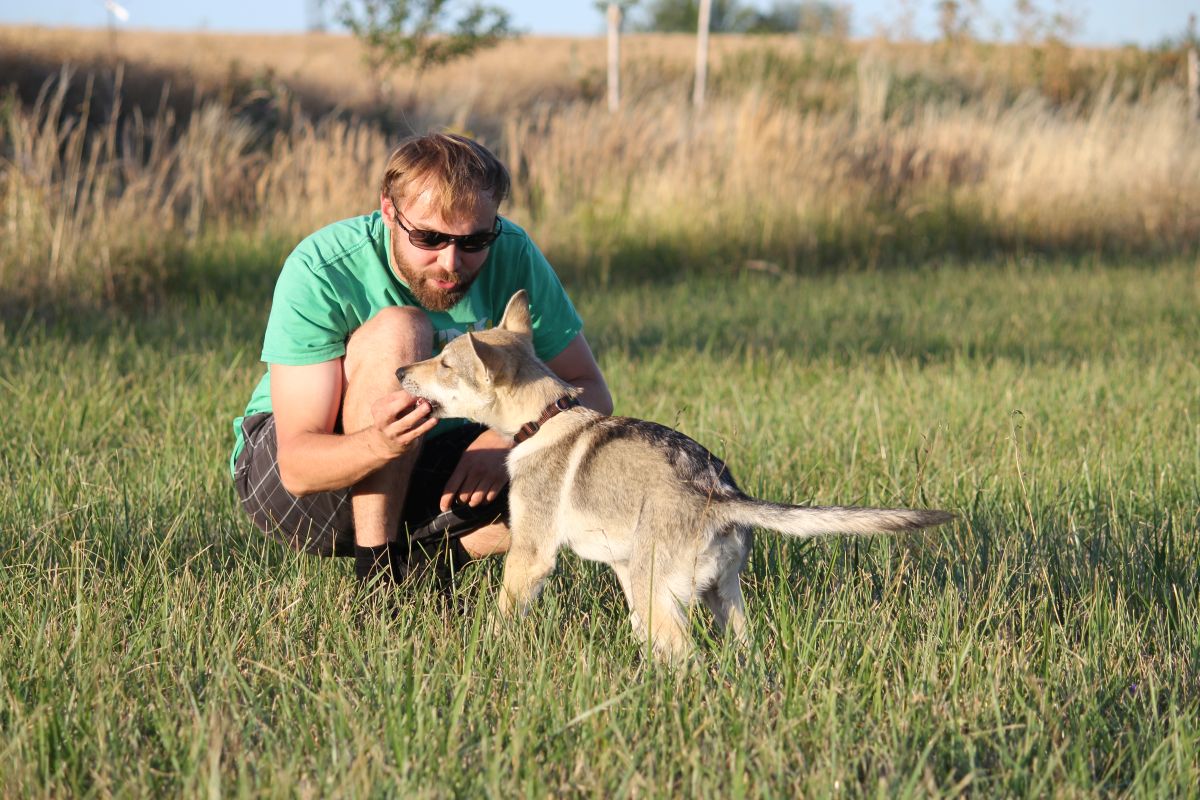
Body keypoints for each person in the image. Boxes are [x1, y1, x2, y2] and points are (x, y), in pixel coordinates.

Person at [229, 133, 612, 587]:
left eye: (474, 240)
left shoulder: (513, 251)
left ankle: (431, 568)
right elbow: (296, 467)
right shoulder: (322, 266)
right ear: (389, 211)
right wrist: (381, 443)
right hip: (303, 480)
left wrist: (510, 437)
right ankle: (378, 578)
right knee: (403, 329)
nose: (451, 262)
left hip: (436, 459)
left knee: (576, 479)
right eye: (429, 237)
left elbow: (587, 389)